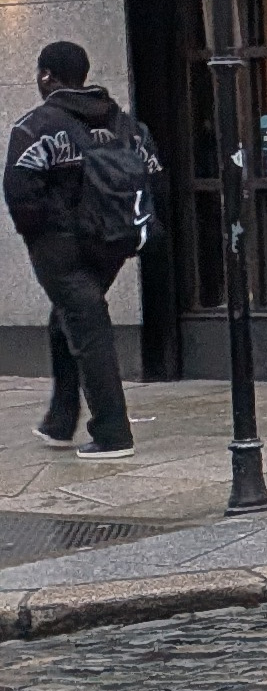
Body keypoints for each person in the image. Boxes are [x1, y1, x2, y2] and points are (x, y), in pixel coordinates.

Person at [8, 40, 150, 460]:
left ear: (46, 75)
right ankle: (60, 418)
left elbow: (19, 191)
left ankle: (112, 432)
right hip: (112, 242)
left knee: (87, 326)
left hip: (60, 248)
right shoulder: (123, 124)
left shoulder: (35, 127)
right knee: (68, 319)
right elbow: (151, 173)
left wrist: (45, 234)